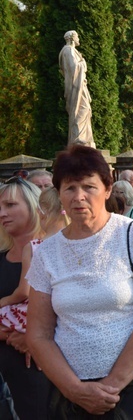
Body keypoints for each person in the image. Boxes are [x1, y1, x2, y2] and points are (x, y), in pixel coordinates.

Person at [26, 145, 133, 417]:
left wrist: (111, 386)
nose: (78, 197)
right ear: (59, 193)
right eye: (69, 188)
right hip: (71, 392)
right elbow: (38, 334)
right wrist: (75, 390)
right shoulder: (46, 252)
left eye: (88, 187)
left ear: (106, 190)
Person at [0, 177, 52, 418]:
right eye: (0, 207)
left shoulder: (54, 252)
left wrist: (37, 339)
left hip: (48, 369)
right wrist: (12, 336)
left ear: (33, 205)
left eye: (10, 205)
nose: (2, 213)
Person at [59, 30, 95, 147]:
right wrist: (83, 63)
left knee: (85, 110)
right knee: (81, 109)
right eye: (77, 36)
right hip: (75, 87)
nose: (79, 38)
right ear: (72, 38)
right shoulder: (68, 51)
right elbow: (74, 69)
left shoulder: (72, 51)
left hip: (80, 86)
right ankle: (78, 139)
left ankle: (84, 138)